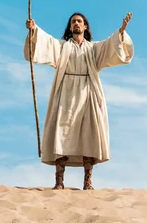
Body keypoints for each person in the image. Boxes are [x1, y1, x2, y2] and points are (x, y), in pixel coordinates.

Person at [24, 11, 134, 190]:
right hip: (65, 93)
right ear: (70, 27)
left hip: (88, 92)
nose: (76, 24)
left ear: (85, 27)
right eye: (73, 21)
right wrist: (34, 30)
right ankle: (59, 182)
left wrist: (121, 32)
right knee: (62, 133)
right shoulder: (62, 47)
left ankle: (87, 181)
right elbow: (46, 43)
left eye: (79, 21)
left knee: (89, 134)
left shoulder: (93, 48)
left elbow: (110, 46)